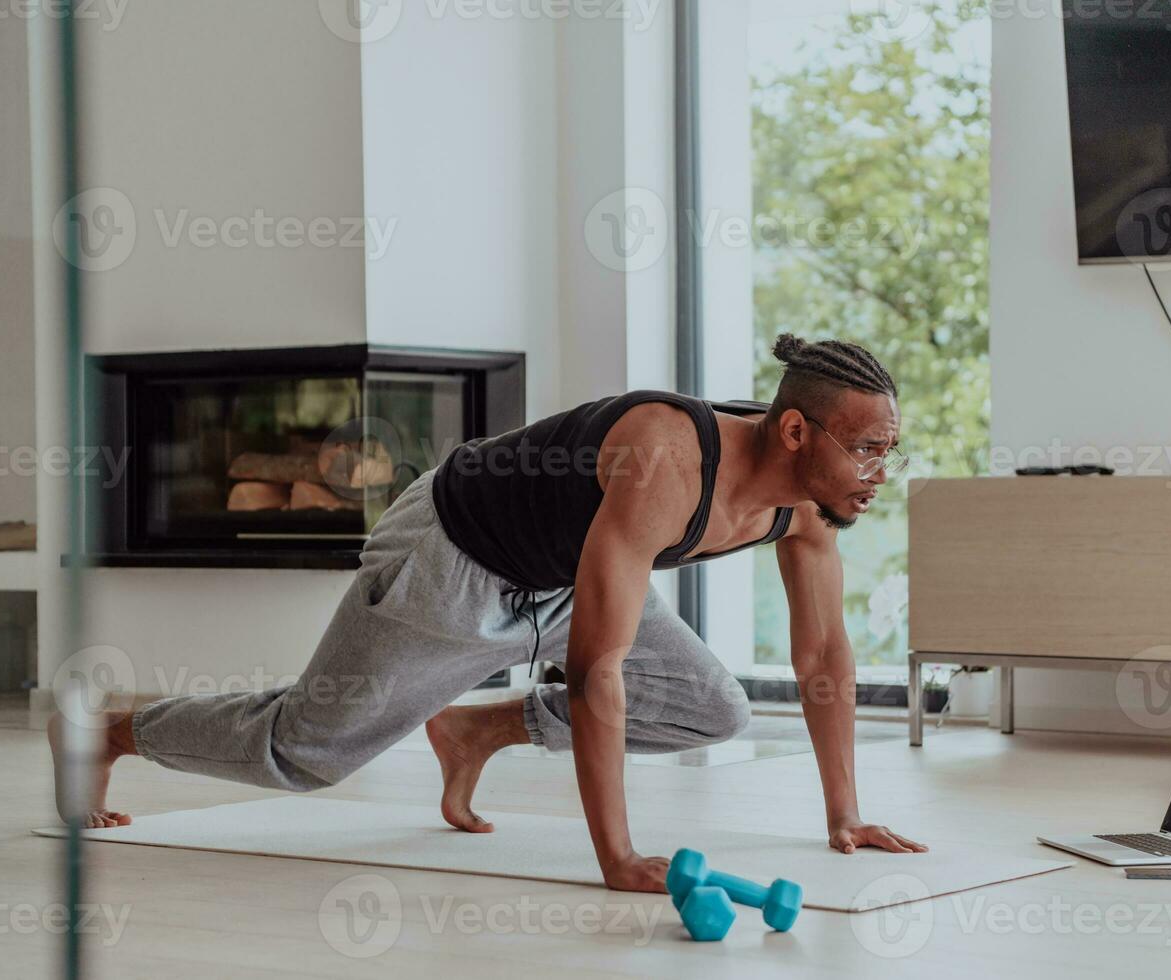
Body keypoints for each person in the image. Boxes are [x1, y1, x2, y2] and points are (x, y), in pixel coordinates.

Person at [50, 333, 928, 892]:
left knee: (715, 707)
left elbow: (823, 659)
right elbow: (595, 674)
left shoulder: (808, 508)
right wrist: (616, 858)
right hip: (457, 555)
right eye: (866, 448)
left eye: (889, 450)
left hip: (564, 572)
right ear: (796, 433)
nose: (878, 470)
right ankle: (113, 732)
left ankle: (475, 730)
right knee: (308, 752)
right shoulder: (669, 459)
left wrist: (842, 815)